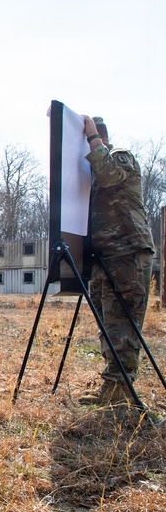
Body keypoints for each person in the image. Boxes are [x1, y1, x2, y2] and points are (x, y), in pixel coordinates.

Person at [77, 115, 156, 405]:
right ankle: (113, 383)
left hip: (127, 252)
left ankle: (121, 388)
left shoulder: (120, 157)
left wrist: (92, 138)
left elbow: (109, 175)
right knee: (107, 321)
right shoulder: (89, 171)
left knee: (122, 320)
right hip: (104, 256)